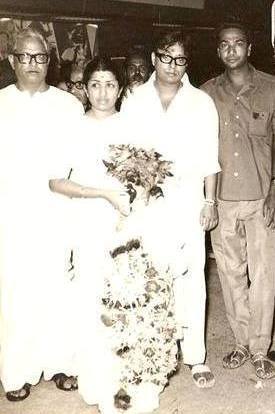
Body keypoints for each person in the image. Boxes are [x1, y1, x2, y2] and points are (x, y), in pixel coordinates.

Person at [49, 56, 179, 414]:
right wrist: (102, 194)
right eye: (95, 84)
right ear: (84, 88)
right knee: (95, 304)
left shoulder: (133, 125)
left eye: (110, 84)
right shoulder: (73, 127)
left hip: (130, 224)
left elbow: (152, 174)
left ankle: (132, 383)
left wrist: (133, 205)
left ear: (120, 89)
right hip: (90, 224)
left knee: (132, 306)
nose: (103, 92)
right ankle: (101, 382)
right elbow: (56, 180)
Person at [120, 31, 220, 388]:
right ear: (153, 58)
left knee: (191, 277)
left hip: (189, 201)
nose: (173, 66)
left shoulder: (201, 102)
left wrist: (209, 202)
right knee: (152, 276)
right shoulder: (134, 101)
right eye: (166, 57)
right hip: (147, 203)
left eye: (180, 60)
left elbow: (210, 156)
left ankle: (195, 356)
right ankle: (157, 350)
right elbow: (126, 154)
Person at [0, 27, 84, 401]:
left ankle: (62, 363)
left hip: (57, 211)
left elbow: (79, 164)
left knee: (59, 289)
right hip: (12, 213)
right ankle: (17, 372)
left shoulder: (68, 106)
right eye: (25, 56)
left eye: (40, 57)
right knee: (16, 293)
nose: (33, 64)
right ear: (11, 59)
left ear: (49, 61)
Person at [201, 22, 275, 379]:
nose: (232, 50)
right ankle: (241, 342)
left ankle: (261, 348)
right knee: (230, 274)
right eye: (224, 44)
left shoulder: (272, 89)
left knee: (264, 275)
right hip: (222, 200)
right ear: (217, 51)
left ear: (250, 48)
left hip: (261, 198)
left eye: (238, 44)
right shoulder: (203, 95)